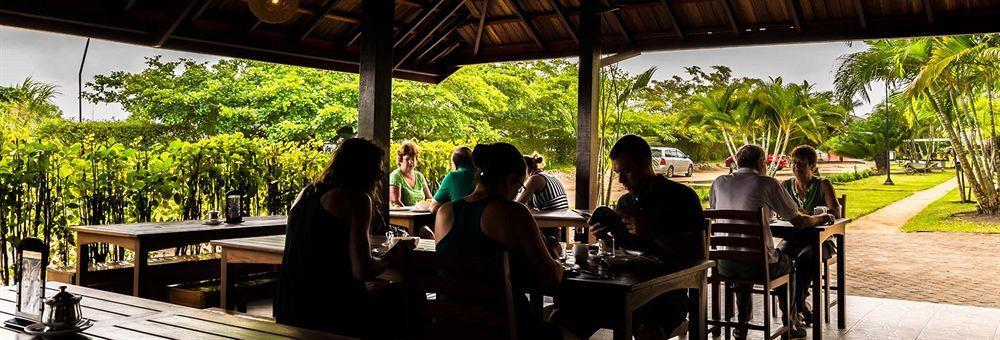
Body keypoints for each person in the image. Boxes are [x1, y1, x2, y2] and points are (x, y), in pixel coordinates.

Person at [558, 135, 707, 340]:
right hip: (625, 289)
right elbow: (626, 250)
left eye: (626, 171)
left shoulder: (682, 197)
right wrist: (608, 235)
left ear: (645, 164)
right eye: (618, 173)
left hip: (667, 292)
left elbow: (698, 253)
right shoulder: (625, 203)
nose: (621, 180)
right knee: (563, 317)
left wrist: (653, 233)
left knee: (648, 330)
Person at [275, 138, 415, 338]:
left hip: (290, 307)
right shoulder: (356, 199)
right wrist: (392, 256)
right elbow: (363, 270)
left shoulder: (306, 192)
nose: (379, 178)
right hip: (329, 311)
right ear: (365, 171)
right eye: (378, 171)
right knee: (402, 297)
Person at [434, 143, 564, 339]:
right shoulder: (514, 212)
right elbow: (552, 278)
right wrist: (556, 257)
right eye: (519, 186)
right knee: (565, 320)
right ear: (511, 180)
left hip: (451, 327)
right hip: (504, 329)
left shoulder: (445, 212)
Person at [709, 144, 834, 340]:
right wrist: (822, 218)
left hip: (724, 264)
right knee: (788, 265)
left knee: (743, 260)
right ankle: (791, 323)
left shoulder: (719, 182)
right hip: (758, 266)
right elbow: (799, 222)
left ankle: (742, 323)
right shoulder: (767, 183)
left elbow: (716, 213)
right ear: (760, 163)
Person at [780, 145, 841, 325]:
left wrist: (816, 216)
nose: (796, 167)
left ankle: (799, 303)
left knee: (805, 258)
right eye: (794, 163)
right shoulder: (786, 186)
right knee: (778, 257)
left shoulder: (823, 184)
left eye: (802, 164)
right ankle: (793, 305)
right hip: (793, 238)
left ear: (813, 167)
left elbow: (836, 212)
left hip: (821, 241)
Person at [428, 146, 476, 213]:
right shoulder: (482, 175)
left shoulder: (453, 176)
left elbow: (433, 207)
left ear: (455, 165)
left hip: (463, 221)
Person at [389, 141, 432, 207]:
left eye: (413, 159)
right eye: (407, 159)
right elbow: (395, 202)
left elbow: (429, 198)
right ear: (400, 160)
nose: (410, 162)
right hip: (403, 216)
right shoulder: (396, 176)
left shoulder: (419, 176)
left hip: (421, 214)